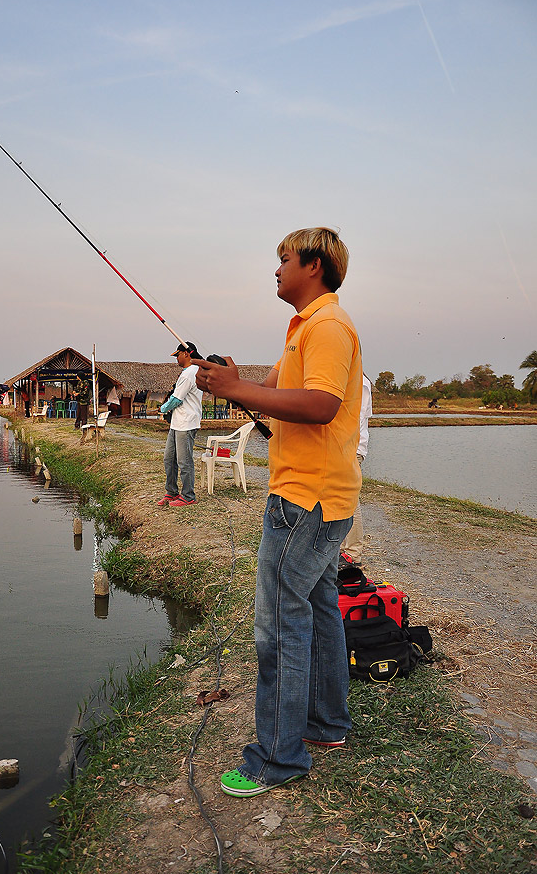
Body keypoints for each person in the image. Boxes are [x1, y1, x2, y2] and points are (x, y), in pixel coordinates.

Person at [194, 227, 362, 797]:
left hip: (305, 501)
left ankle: (276, 758)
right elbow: (274, 408)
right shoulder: (302, 329)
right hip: (315, 496)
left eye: (284, 259)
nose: (276, 269)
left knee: (279, 629)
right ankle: (324, 725)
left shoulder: (328, 327)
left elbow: (320, 406)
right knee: (316, 610)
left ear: (313, 265)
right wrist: (229, 381)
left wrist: (240, 385)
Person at [157, 342, 203, 508]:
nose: (176, 358)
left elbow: (176, 399)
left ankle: (188, 495)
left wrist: (162, 408)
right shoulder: (188, 372)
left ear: (186, 354)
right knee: (169, 459)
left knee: (184, 462)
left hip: (187, 423)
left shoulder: (190, 373)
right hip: (177, 423)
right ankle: (171, 491)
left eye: (178, 355)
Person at [339, 372, 372, 569]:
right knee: (341, 498)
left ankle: (353, 552)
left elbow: (354, 418)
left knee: (350, 499)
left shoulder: (359, 382)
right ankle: (344, 547)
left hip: (351, 448)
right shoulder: (350, 379)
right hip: (344, 447)